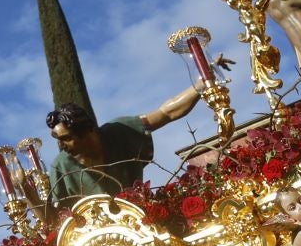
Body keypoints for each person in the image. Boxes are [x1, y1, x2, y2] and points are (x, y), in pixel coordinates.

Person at [46, 88, 203, 207]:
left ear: (86, 131)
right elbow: (57, 216)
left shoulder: (120, 132)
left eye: (66, 138)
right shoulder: (61, 166)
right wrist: (29, 194)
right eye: (57, 139)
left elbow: (166, 113)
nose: (61, 146)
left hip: (140, 219)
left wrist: (200, 85)